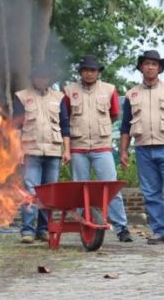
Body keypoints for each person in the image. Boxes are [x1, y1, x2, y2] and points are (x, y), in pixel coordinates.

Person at [64, 55, 132, 243]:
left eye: (93, 70)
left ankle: (121, 228)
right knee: (79, 188)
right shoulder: (69, 91)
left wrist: (99, 129)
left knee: (111, 187)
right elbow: (65, 117)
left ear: (98, 72)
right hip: (78, 147)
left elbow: (115, 115)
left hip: (102, 147)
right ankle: (83, 225)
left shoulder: (109, 89)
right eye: (85, 70)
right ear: (80, 72)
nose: (89, 73)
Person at [13, 62, 71, 244]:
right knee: (31, 190)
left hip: (53, 150)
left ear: (49, 79)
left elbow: (65, 125)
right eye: (39, 77)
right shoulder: (22, 97)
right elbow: (16, 126)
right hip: (31, 150)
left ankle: (44, 229)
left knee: (49, 193)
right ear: (33, 78)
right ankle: (28, 230)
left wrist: (67, 150)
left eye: (45, 77)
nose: (42, 80)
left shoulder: (59, 97)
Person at [120, 50, 164, 245]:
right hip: (143, 148)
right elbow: (125, 125)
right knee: (150, 192)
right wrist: (123, 150)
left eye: (154, 64)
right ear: (141, 67)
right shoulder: (131, 94)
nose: (151, 67)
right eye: (147, 63)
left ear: (160, 68)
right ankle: (159, 231)